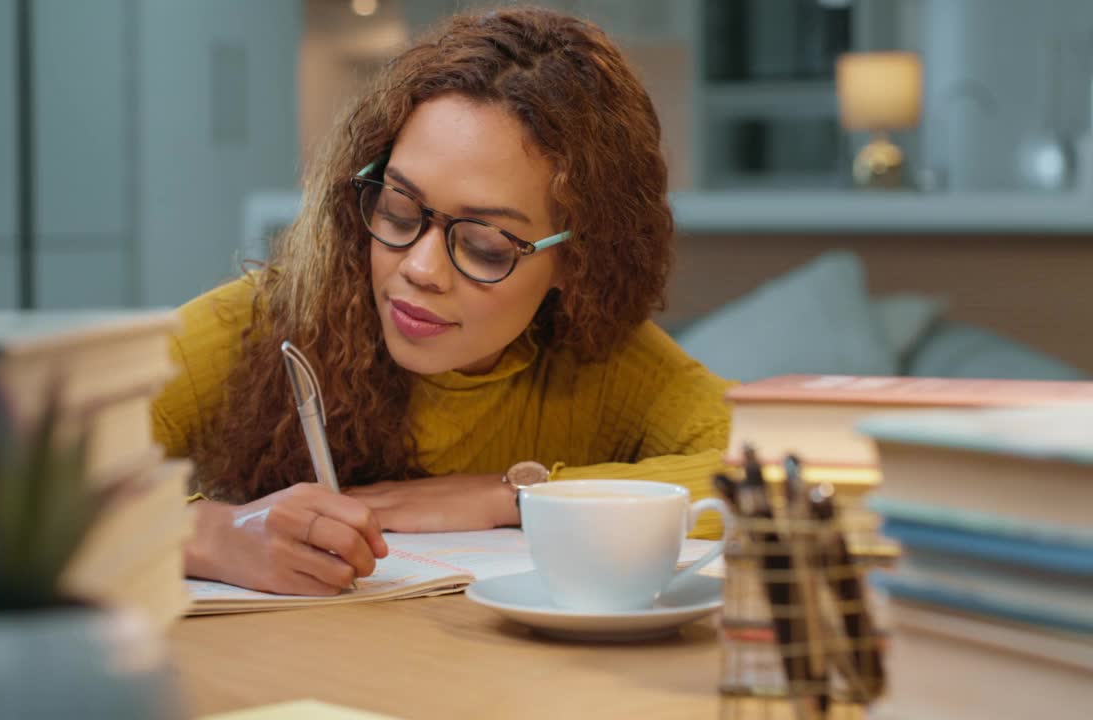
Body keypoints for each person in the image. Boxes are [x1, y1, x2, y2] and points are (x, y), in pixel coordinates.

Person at [153, 6, 733, 597]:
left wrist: (508, 495)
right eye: (399, 211)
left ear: (577, 257)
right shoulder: (265, 320)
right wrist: (211, 534)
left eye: (485, 246)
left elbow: (803, 475)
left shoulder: (602, 360)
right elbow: (55, 469)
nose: (420, 269)